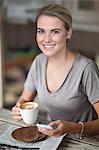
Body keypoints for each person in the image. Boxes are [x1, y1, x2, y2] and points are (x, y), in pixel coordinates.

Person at [12, 4, 99, 137]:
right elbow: (24, 99)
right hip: (51, 138)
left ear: (68, 32)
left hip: (85, 142)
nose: (46, 39)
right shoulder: (39, 62)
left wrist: (72, 128)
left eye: (55, 31)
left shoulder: (86, 68)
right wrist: (19, 108)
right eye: (41, 31)